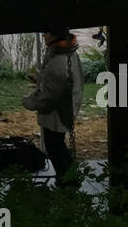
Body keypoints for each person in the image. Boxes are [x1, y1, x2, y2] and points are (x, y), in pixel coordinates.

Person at [22, 27, 85, 186]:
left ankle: (67, 181)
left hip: (58, 113)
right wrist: (39, 79)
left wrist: (27, 102)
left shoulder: (58, 60)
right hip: (64, 108)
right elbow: (57, 82)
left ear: (54, 36)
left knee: (55, 148)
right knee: (58, 146)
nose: (43, 35)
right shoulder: (64, 52)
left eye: (46, 32)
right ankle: (68, 178)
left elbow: (47, 97)